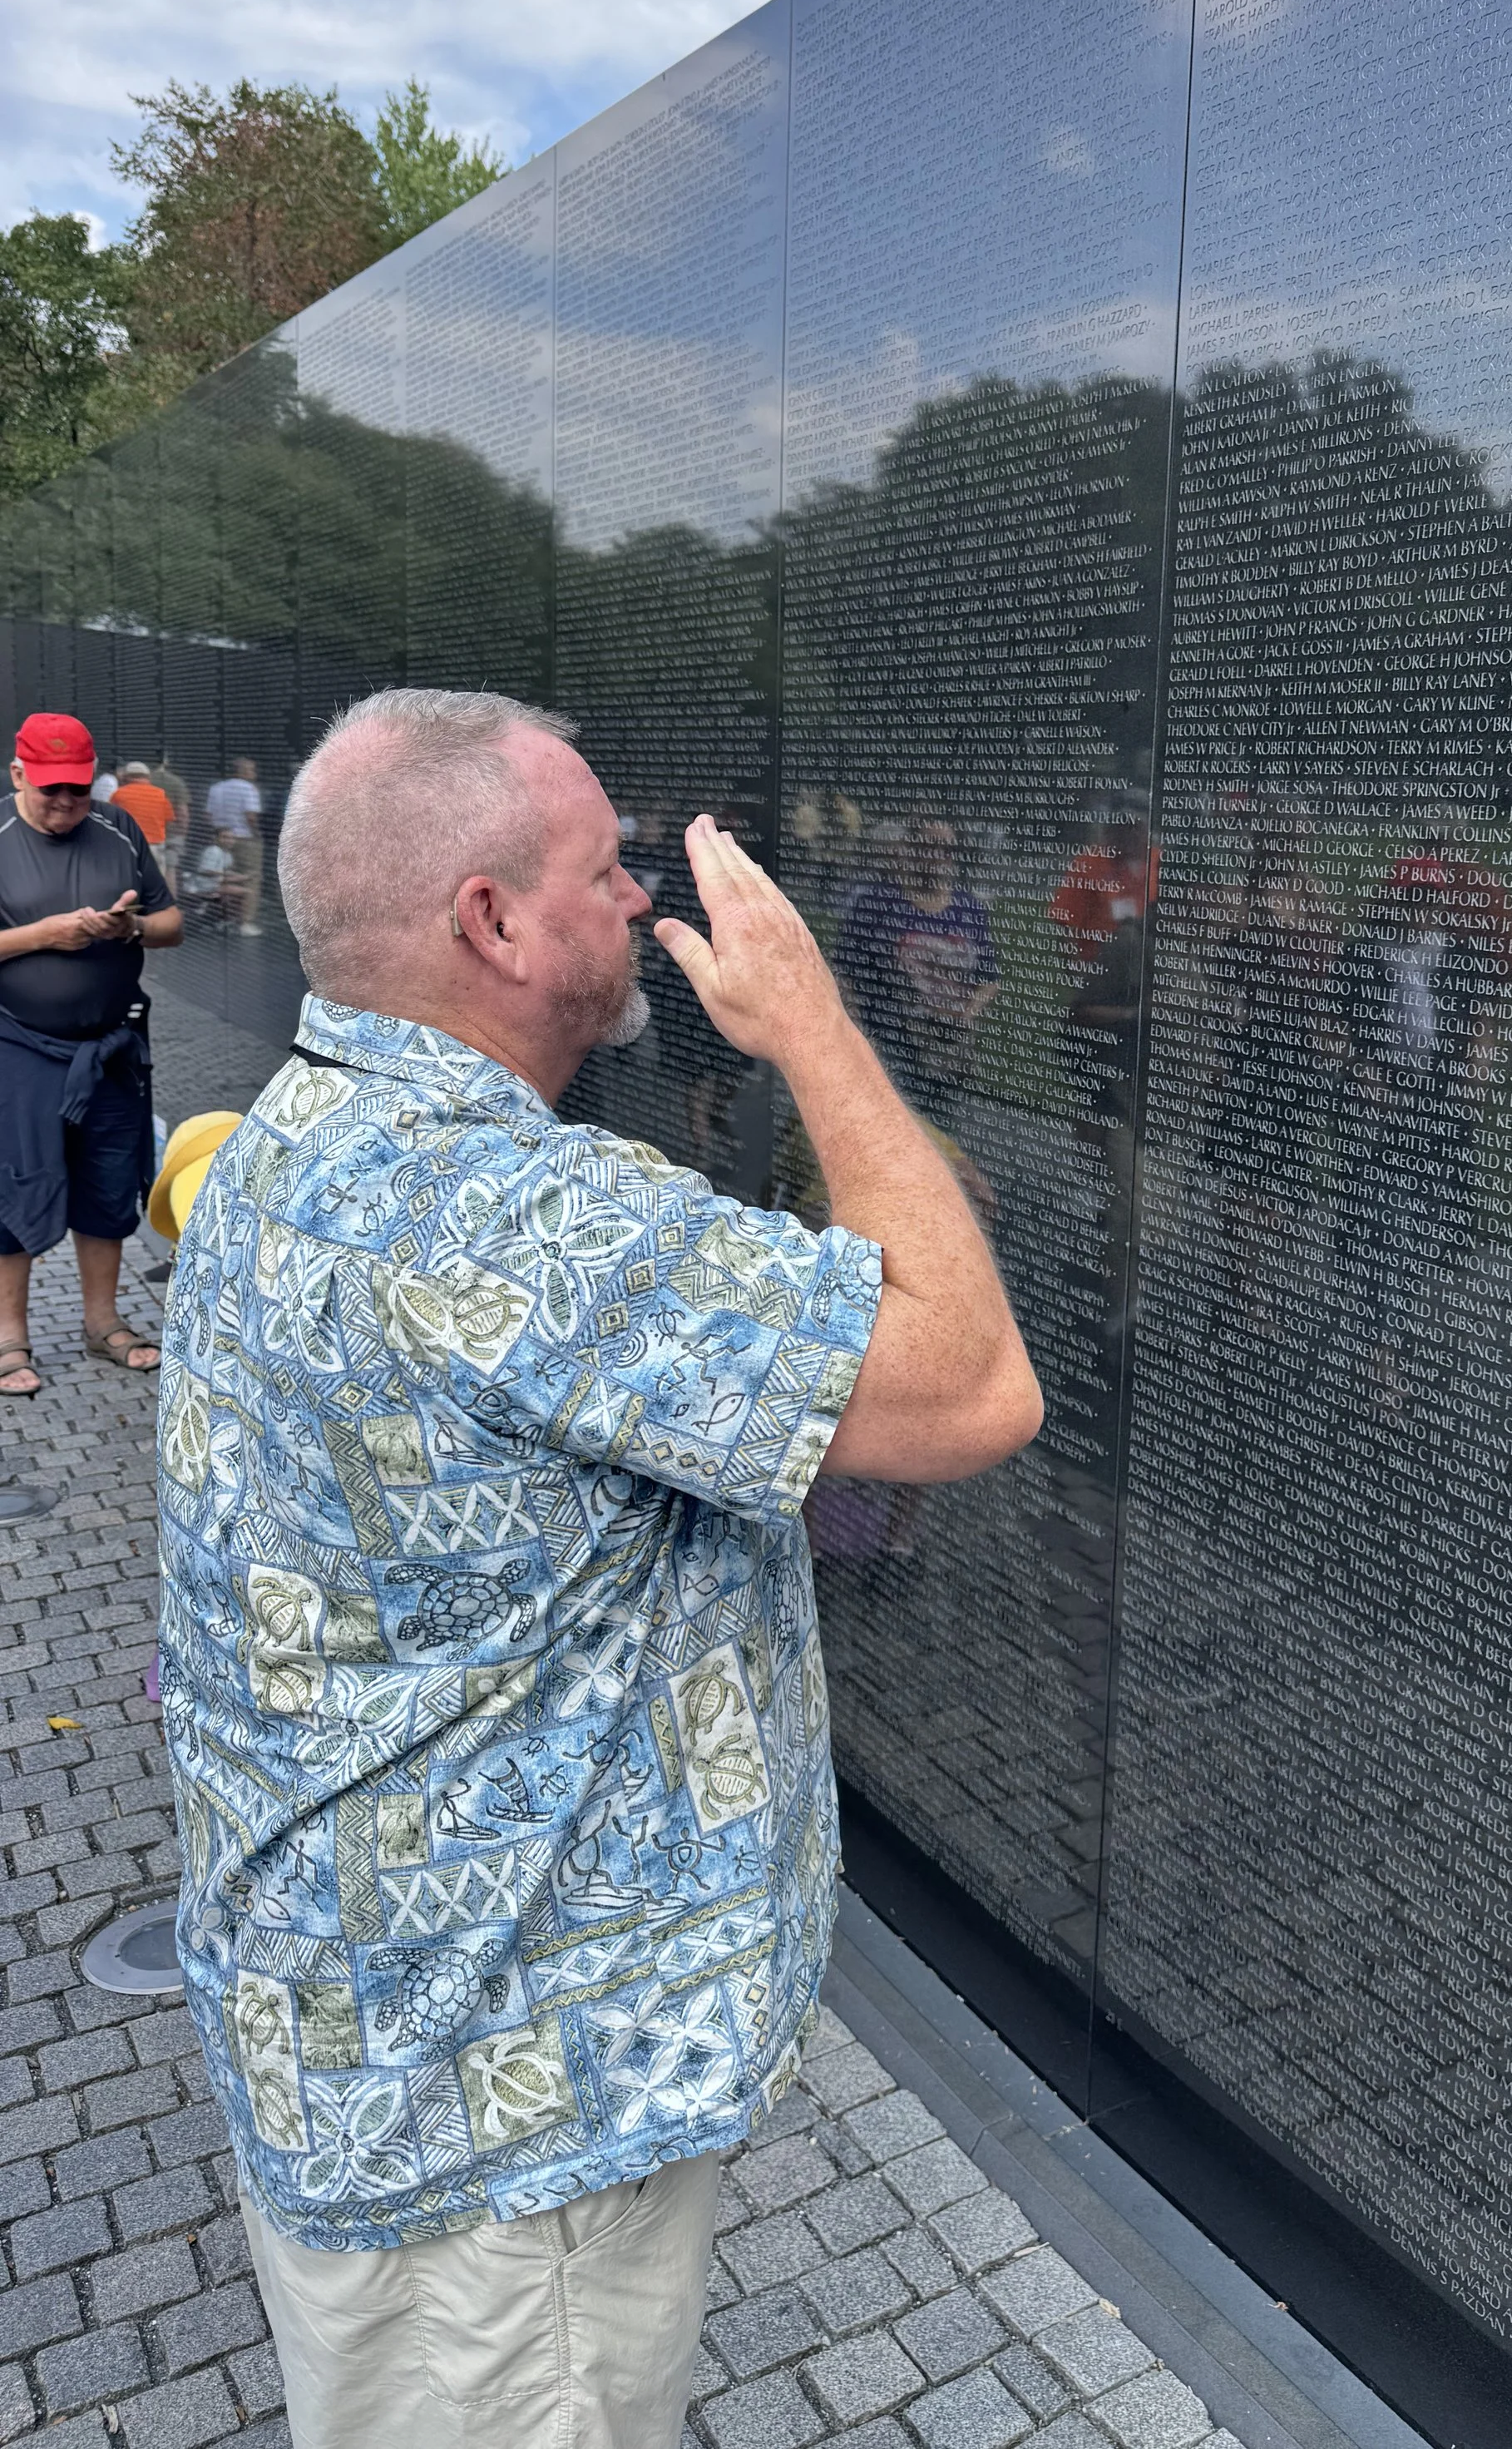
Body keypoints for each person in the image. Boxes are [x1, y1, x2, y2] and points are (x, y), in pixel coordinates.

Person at [156, 686, 1040, 2449]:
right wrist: (815, 1029)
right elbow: (969, 1382)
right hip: (500, 2151)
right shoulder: (525, 1225)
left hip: (362, 2047)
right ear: (489, 918)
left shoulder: (284, 1141)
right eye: (605, 862)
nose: (644, 892)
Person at [0, 711, 182, 1394]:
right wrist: (44, 934)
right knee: (14, 1184)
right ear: (18, 774)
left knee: (109, 1185)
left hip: (111, 1050)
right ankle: (8, 1336)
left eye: (77, 788)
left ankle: (102, 1322)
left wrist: (130, 925)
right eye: (51, 790)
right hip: (17, 1045)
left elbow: (172, 925)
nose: (66, 803)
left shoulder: (118, 828)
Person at [833, 816, 1000, 1115]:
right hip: (890, 1046)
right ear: (910, 848)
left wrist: (965, 1016)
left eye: (945, 849)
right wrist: (856, 1033)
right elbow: (845, 971)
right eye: (928, 846)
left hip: (947, 1051)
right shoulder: (877, 904)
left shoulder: (970, 909)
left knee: (942, 1132)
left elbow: (989, 976)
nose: (937, 857)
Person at [206, 754, 264, 933]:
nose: (254, 773)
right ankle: (245, 922)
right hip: (245, 839)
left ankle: (227, 919)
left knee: (224, 877)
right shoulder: (249, 789)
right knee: (250, 878)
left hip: (220, 837)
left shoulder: (216, 788)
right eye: (251, 769)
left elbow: (208, 816)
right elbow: (251, 816)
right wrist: (257, 834)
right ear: (243, 771)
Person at [113, 761, 175, 877]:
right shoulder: (160, 794)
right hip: (155, 846)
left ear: (126, 777)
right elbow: (169, 820)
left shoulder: (119, 794)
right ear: (148, 777)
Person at [147, 754, 190, 894]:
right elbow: (182, 811)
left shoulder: (145, 781)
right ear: (166, 762)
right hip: (171, 832)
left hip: (149, 831)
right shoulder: (176, 782)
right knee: (170, 869)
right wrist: (182, 832)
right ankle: (170, 905)